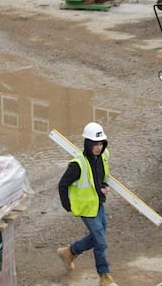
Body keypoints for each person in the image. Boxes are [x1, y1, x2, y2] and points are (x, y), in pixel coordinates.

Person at [57, 122, 118, 286]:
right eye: (95, 144)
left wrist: (103, 187)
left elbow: (100, 178)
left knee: (99, 238)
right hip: (85, 208)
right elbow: (62, 185)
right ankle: (104, 277)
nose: (98, 147)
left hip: (98, 204)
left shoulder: (103, 156)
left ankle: (70, 252)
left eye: (101, 144)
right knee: (101, 242)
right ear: (88, 144)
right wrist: (67, 205)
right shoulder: (78, 165)